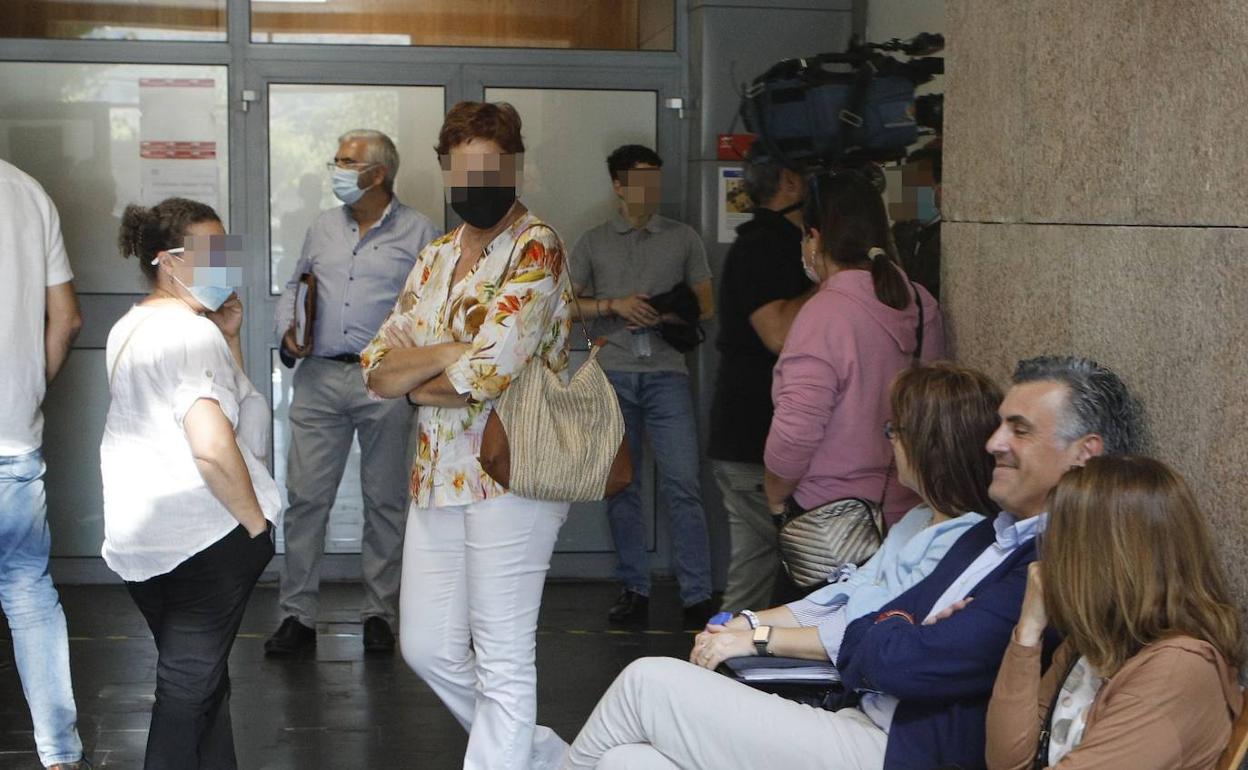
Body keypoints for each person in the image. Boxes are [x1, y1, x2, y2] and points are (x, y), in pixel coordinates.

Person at [560, 355, 1146, 770]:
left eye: (1019, 430)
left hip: (899, 752)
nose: (995, 443)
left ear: (1083, 455)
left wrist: (894, 634)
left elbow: (907, 661)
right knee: (626, 761)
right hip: (860, 719)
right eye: (998, 426)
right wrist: (900, 632)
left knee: (647, 682)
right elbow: (875, 626)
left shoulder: (1055, 561)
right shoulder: (986, 534)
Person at [361, 101, 572, 770]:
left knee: (503, 654)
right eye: (462, 170)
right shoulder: (436, 255)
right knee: (426, 646)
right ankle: (545, 760)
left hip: (512, 471)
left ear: (514, 168)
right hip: (437, 473)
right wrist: (449, 353)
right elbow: (375, 366)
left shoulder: (536, 246)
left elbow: (488, 373)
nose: (475, 184)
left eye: (489, 168)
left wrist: (420, 379)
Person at [104, 198, 279, 769]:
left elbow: (233, 413)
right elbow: (213, 442)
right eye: (209, 251)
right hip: (205, 537)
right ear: (167, 260)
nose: (224, 263)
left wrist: (228, 337)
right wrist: (255, 527)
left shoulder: (131, 327)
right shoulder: (187, 334)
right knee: (187, 687)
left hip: (146, 542)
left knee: (204, 683)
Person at [267, 129, 440, 656]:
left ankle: (379, 614)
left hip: (383, 380)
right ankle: (296, 615)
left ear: (377, 174)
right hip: (319, 377)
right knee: (306, 500)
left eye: (346, 162)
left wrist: (415, 369)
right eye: (337, 160)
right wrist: (288, 331)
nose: (336, 170)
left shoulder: (420, 231)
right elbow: (295, 285)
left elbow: (431, 307)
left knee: (384, 501)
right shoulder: (322, 226)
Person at [986, 456, 1243, 770]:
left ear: (1104, 557)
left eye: (1062, 540)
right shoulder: (1094, 641)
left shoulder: (1178, 669)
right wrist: (1028, 631)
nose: (1049, 556)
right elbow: (1007, 761)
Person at [569, 144, 716, 626]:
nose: (650, 188)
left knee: (684, 483)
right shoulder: (593, 241)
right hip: (613, 372)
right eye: (639, 179)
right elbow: (564, 306)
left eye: (655, 178)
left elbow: (707, 306)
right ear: (618, 185)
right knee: (621, 485)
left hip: (668, 372)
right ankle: (634, 587)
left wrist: (665, 315)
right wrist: (613, 306)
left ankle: (697, 593)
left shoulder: (683, 238)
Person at [764, 169, 945, 532]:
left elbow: (796, 432)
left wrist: (775, 494)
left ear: (814, 238)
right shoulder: (920, 302)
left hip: (832, 521)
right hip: (908, 517)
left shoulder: (822, 314)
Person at [0, 159, 86, 770]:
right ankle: (60, 755)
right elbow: (69, 318)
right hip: (12, 439)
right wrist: (30, 390)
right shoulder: (27, 191)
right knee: (28, 592)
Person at [707, 143, 813, 612]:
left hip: (757, 438)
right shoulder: (763, 246)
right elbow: (778, 334)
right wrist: (834, 279)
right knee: (758, 570)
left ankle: (731, 648)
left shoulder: (773, 242)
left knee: (765, 568)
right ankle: (721, 652)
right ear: (789, 183)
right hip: (753, 440)